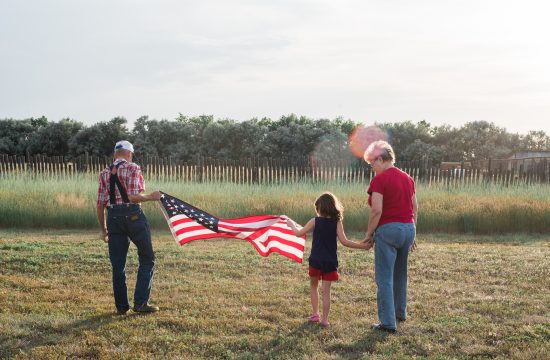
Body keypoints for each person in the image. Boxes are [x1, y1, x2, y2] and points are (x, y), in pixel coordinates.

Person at [96, 140, 162, 315]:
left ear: (115, 154)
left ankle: (121, 307)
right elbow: (133, 197)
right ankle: (140, 303)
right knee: (147, 258)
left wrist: (103, 230)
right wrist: (151, 197)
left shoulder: (104, 173)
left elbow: (100, 204)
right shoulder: (133, 168)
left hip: (113, 217)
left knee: (118, 265)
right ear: (129, 154)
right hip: (133, 215)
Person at [287, 192, 370, 327]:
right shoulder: (337, 222)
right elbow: (345, 241)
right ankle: (325, 320)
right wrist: (362, 246)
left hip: (315, 260)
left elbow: (298, 233)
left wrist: (291, 224)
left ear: (320, 208)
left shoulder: (315, 221)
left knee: (314, 286)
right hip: (330, 261)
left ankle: (315, 314)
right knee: (327, 291)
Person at [362, 140, 418, 333]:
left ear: (380, 158)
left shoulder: (380, 179)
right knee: (400, 274)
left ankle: (387, 322)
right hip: (408, 229)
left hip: (388, 230)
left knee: (384, 277)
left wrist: (369, 234)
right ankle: (400, 312)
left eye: (372, 164)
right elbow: (415, 207)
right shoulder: (408, 178)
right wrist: (413, 233)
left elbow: (376, 210)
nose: (372, 168)